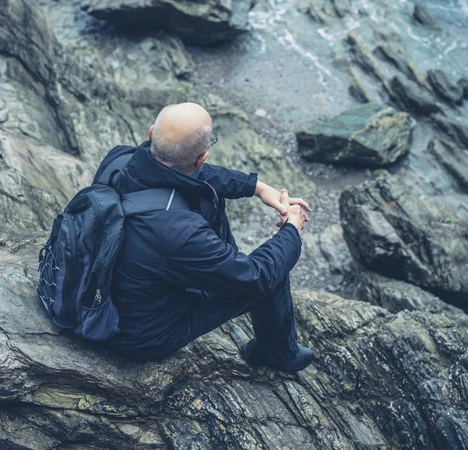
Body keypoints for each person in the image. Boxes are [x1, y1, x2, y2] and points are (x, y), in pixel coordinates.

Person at [106, 102, 313, 372]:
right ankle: (278, 353)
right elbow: (256, 276)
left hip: (116, 288)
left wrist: (257, 187)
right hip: (140, 335)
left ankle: (221, 267)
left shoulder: (120, 158)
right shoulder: (181, 231)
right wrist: (292, 230)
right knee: (273, 272)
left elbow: (194, 176)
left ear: (151, 133)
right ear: (202, 157)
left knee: (209, 197)